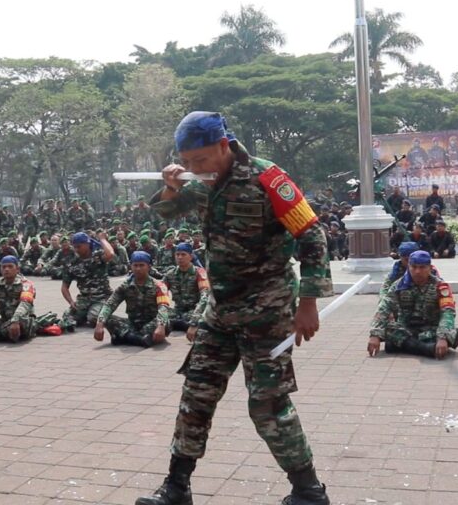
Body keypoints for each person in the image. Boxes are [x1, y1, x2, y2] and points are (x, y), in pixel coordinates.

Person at [136, 111, 331, 505]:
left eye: (202, 160)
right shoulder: (202, 180)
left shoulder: (268, 178)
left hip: (267, 310)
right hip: (220, 309)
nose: (195, 169)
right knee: (197, 394)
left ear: (224, 146)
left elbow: (313, 237)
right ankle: (176, 487)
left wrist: (307, 304)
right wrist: (173, 187)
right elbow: (170, 211)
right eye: (187, 162)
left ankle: (309, 491)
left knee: (267, 404)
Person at [368, 251, 458, 359]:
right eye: (414, 267)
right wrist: (375, 335)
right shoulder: (398, 285)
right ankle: (426, 349)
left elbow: (448, 312)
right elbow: (384, 307)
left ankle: (403, 345)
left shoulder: (440, 287)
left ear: (430, 268)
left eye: (422, 267)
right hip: (406, 328)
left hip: (431, 329)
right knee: (388, 328)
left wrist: (443, 338)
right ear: (408, 267)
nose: (417, 271)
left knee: (453, 334)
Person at [93, 251, 171, 347]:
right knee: (108, 319)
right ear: (131, 266)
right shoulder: (125, 285)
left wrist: (160, 326)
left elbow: (163, 307)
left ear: (149, 267)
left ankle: (126, 336)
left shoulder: (158, 286)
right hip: (133, 323)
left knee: (165, 322)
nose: (138, 269)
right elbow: (110, 304)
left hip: (153, 322)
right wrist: (100, 324)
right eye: (135, 265)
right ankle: (138, 339)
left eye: (142, 265)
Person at [60, 231, 115, 330]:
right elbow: (64, 287)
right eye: (75, 247)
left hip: (102, 297)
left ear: (87, 244)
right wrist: (71, 302)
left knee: (93, 317)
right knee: (67, 316)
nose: (76, 249)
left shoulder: (97, 256)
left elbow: (110, 254)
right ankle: (85, 316)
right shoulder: (72, 263)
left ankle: (105, 314)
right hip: (84, 299)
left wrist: (102, 239)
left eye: (79, 246)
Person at [161, 243, 211, 338]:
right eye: (177, 254)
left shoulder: (199, 273)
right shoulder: (170, 274)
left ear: (191, 256)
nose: (180, 257)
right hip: (177, 311)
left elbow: (204, 297)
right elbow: (160, 294)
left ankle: (183, 325)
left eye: (183, 254)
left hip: (195, 310)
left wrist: (194, 322)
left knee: (205, 320)